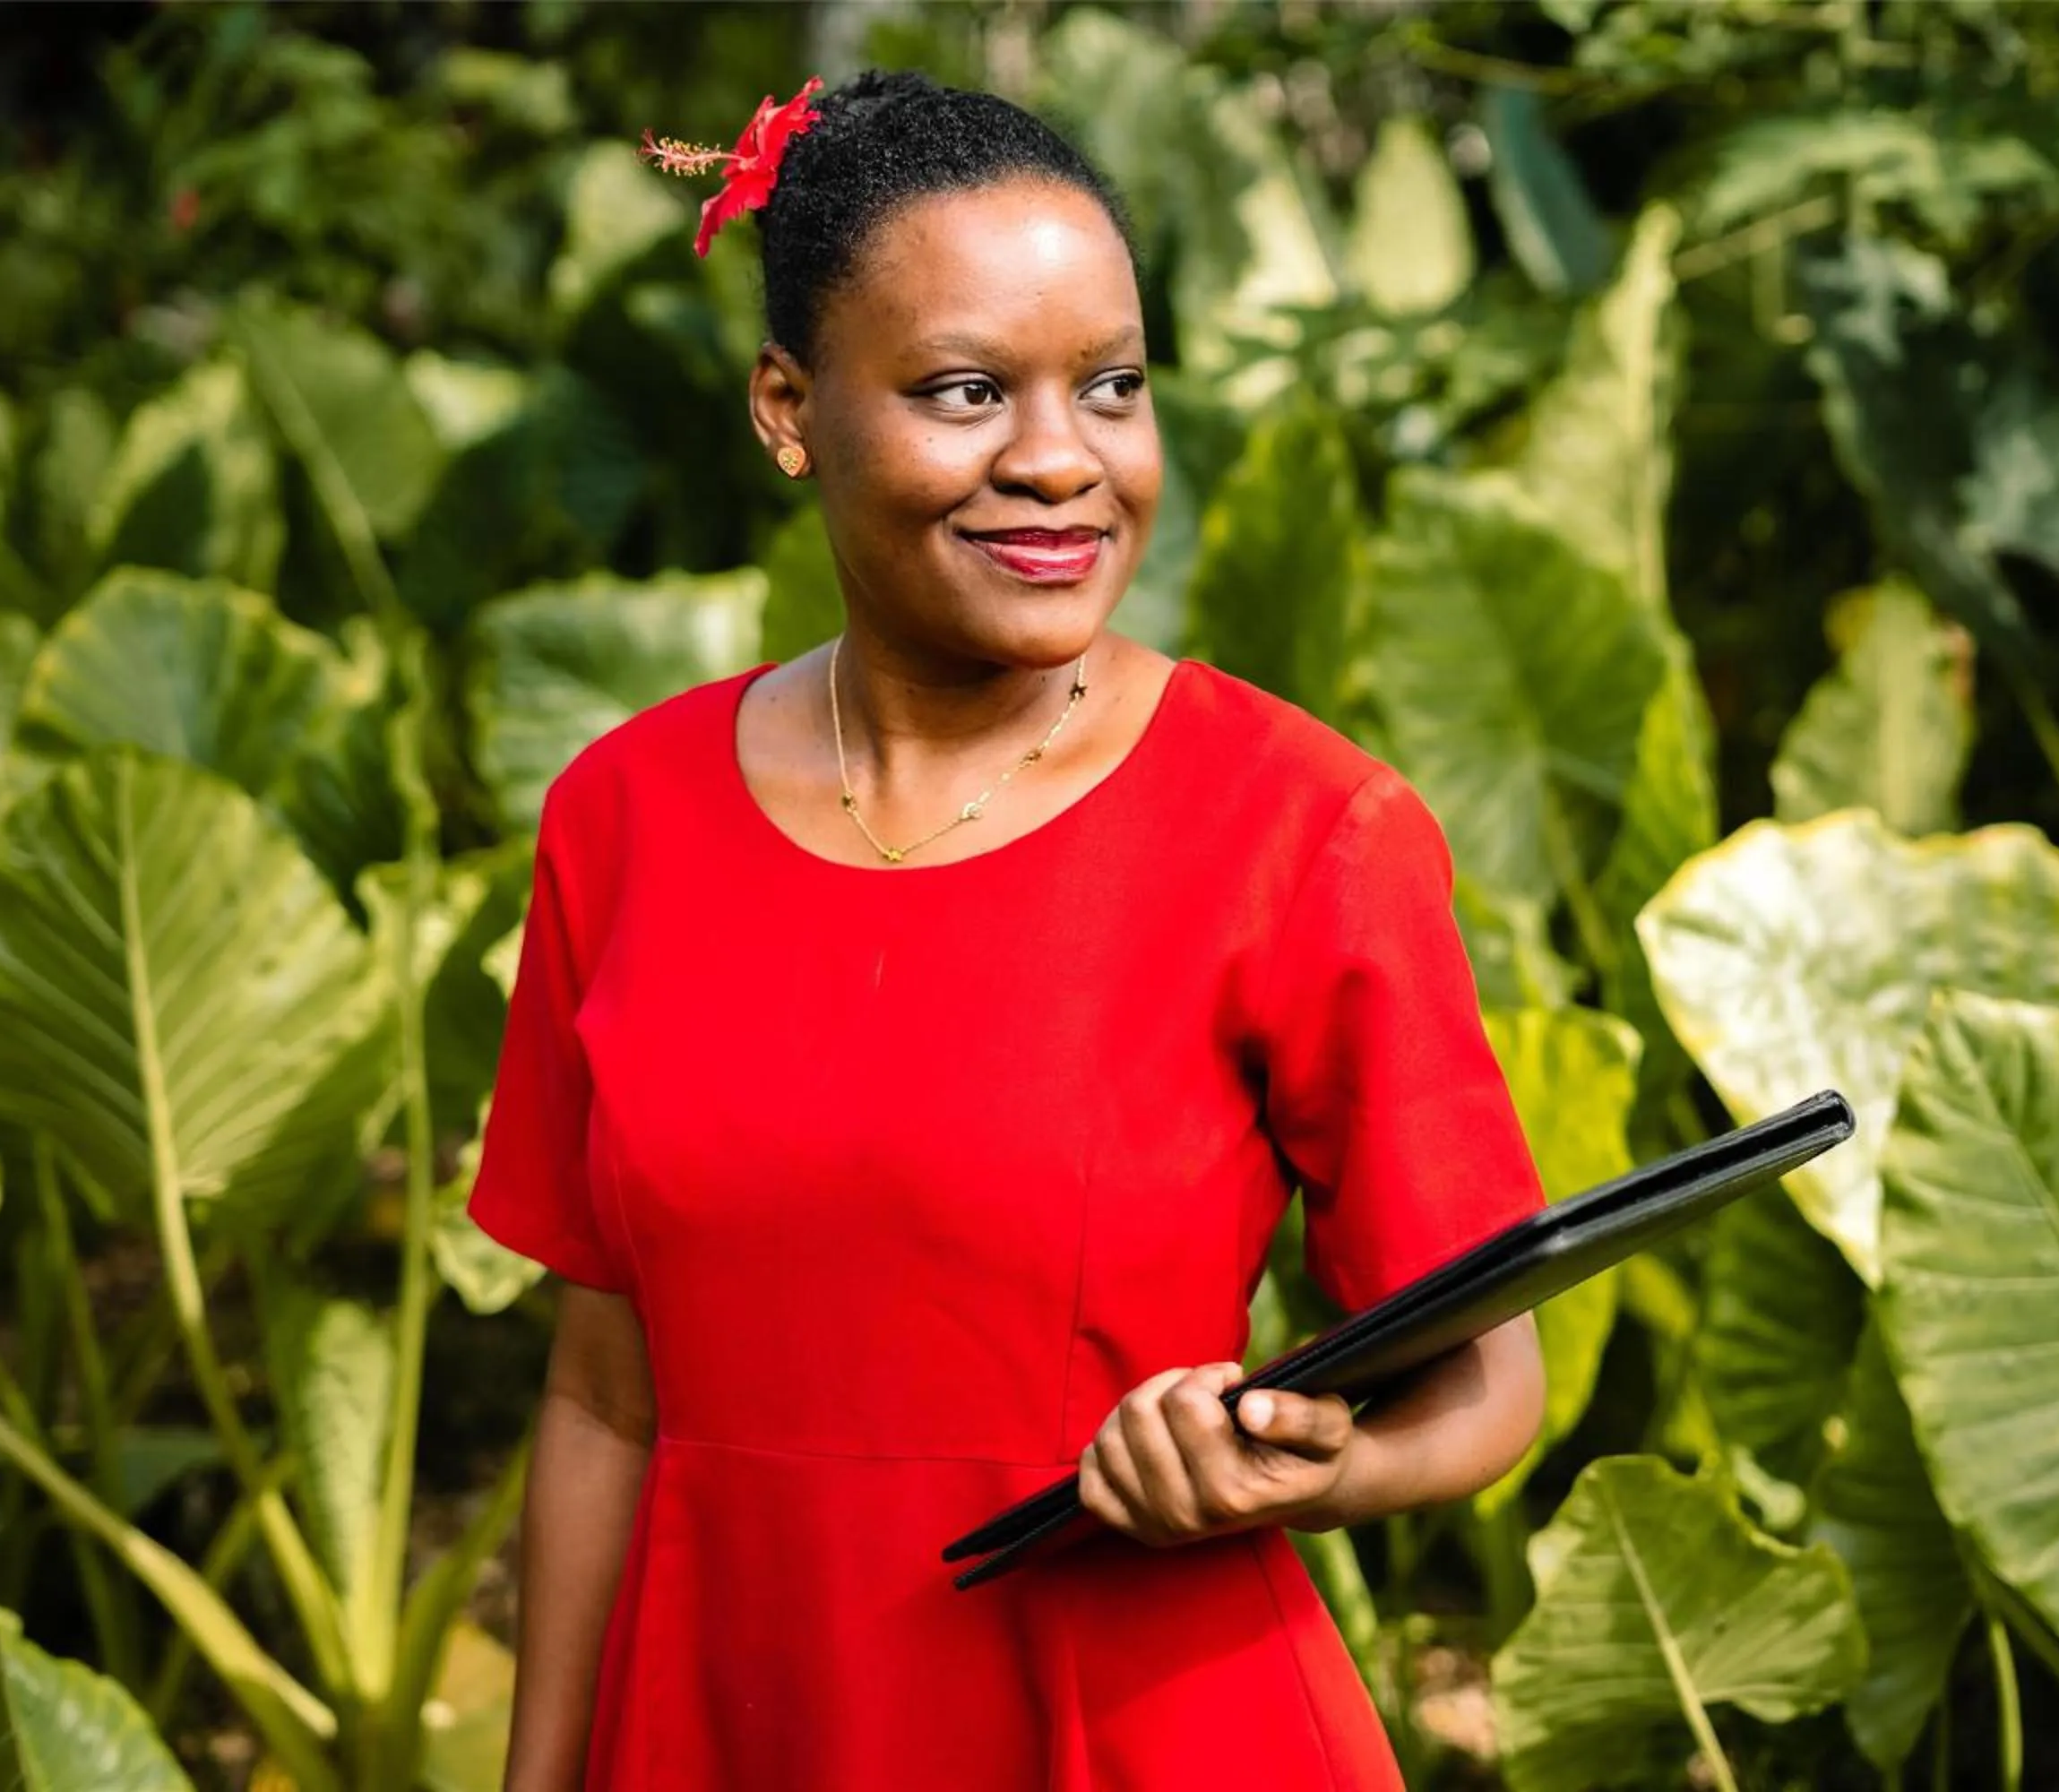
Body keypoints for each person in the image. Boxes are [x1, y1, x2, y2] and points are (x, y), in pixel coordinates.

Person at [469, 67, 1550, 1792]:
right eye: (966, 391)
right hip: (731, 1724)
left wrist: (1304, 1466)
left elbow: (1489, 1381)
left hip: (1142, 1729)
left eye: (1111, 386)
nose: (1060, 462)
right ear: (788, 407)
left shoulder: (1303, 827)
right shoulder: (624, 818)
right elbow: (604, 1396)